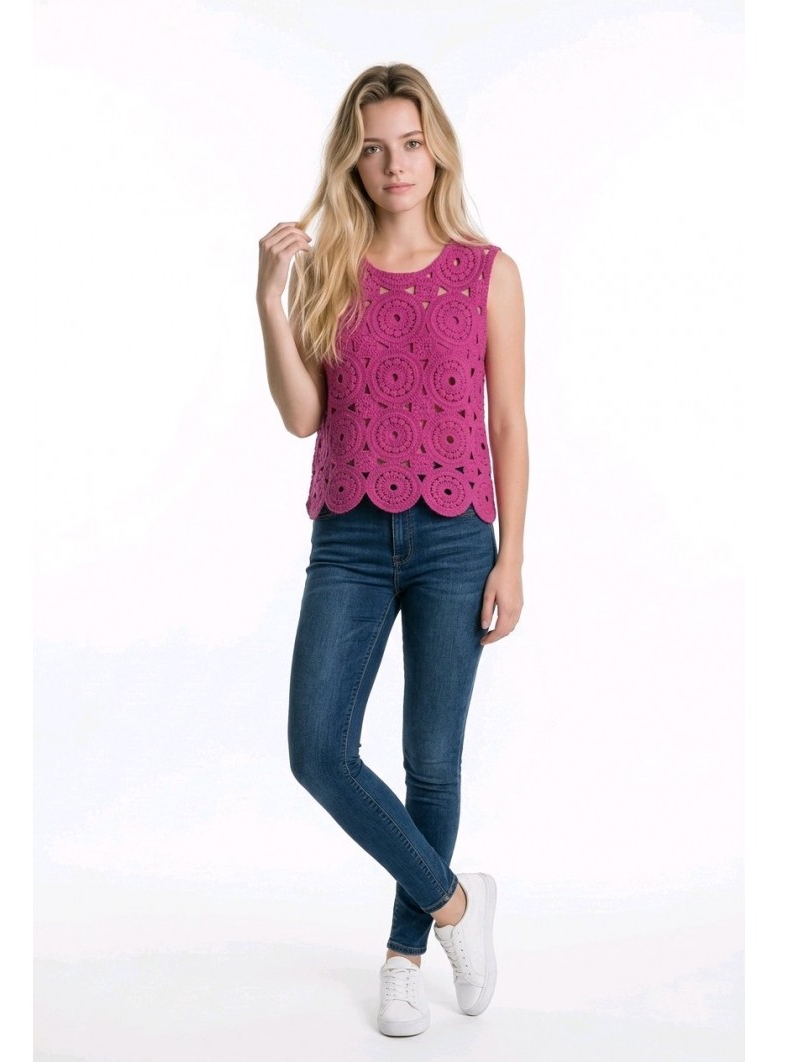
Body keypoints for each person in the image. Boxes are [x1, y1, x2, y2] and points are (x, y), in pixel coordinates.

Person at [255, 62, 528, 1037]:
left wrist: (511, 558)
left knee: (431, 765)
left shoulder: (488, 273)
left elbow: (508, 423)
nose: (395, 164)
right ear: (353, 163)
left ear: (435, 149)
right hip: (350, 535)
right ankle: (456, 903)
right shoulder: (329, 267)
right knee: (318, 751)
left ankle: (405, 957)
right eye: (374, 149)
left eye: (410, 143)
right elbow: (302, 417)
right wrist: (269, 298)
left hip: (457, 539)